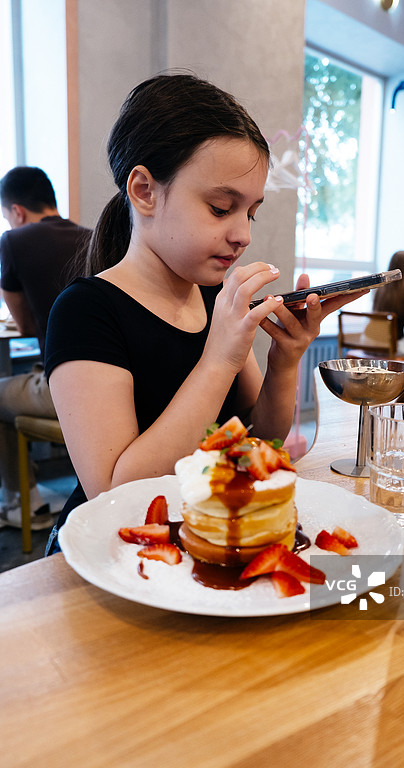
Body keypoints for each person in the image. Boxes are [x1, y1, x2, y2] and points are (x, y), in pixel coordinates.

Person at [44, 72, 369, 554]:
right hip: (113, 554)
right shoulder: (85, 311)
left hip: (203, 540)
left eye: (251, 212)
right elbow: (115, 492)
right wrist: (219, 359)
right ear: (144, 190)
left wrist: (283, 363)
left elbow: (261, 439)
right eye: (221, 208)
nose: (244, 234)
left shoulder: (213, 298)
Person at [0, 166, 91, 530]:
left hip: (63, 386)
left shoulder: (13, 242)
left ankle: (24, 503)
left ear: (17, 211)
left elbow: (24, 328)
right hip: (114, 378)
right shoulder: (92, 236)